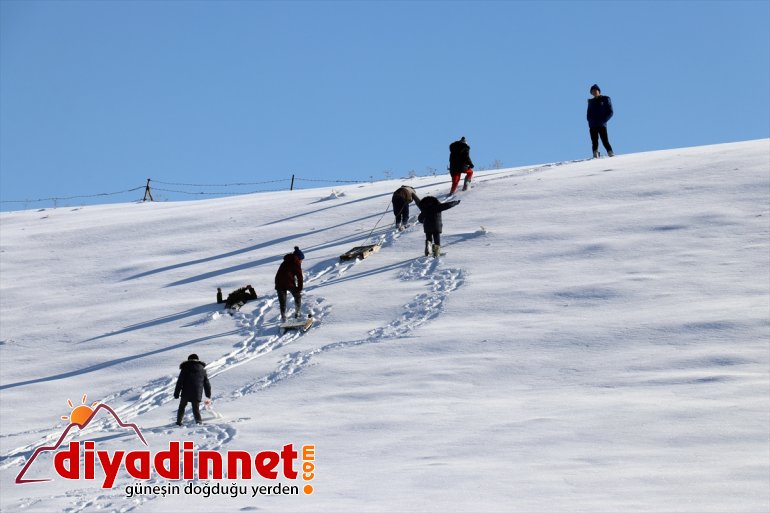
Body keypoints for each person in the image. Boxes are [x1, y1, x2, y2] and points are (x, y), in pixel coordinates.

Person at [174, 353, 211, 426]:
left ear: (188, 360)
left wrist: (176, 393)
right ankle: (198, 422)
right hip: (197, 392)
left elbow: (180, 382)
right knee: (195, 408)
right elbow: (206, 383)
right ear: (197, 360)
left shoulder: (185, 368)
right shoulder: (202, 370)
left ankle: (179, 422)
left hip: (186, 392)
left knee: (182, 407)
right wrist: (208, 394)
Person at [275, 249, 304, 322]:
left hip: (278, 282)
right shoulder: (296, 262)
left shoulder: (285, 261)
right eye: (301, 259)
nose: (301, 261)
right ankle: (297, 313)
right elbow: (300, 277)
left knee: (282, 301)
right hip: (288, 283)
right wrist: (299, 288)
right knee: (297, 296)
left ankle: (283, 316)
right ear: (299, 258)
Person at [587, 84, 614, 158]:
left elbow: (610, 112)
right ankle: (595, 153)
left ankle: (610, 152)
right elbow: (588, 113)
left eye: (595, 90)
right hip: (593, 125)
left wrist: (604, 120)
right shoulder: (591, 102)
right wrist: (590, 121)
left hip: (602, 124)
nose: (594, 92)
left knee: (604, 140)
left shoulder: (605, 99)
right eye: (592, 91)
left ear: (599, 91)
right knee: (594, 141)